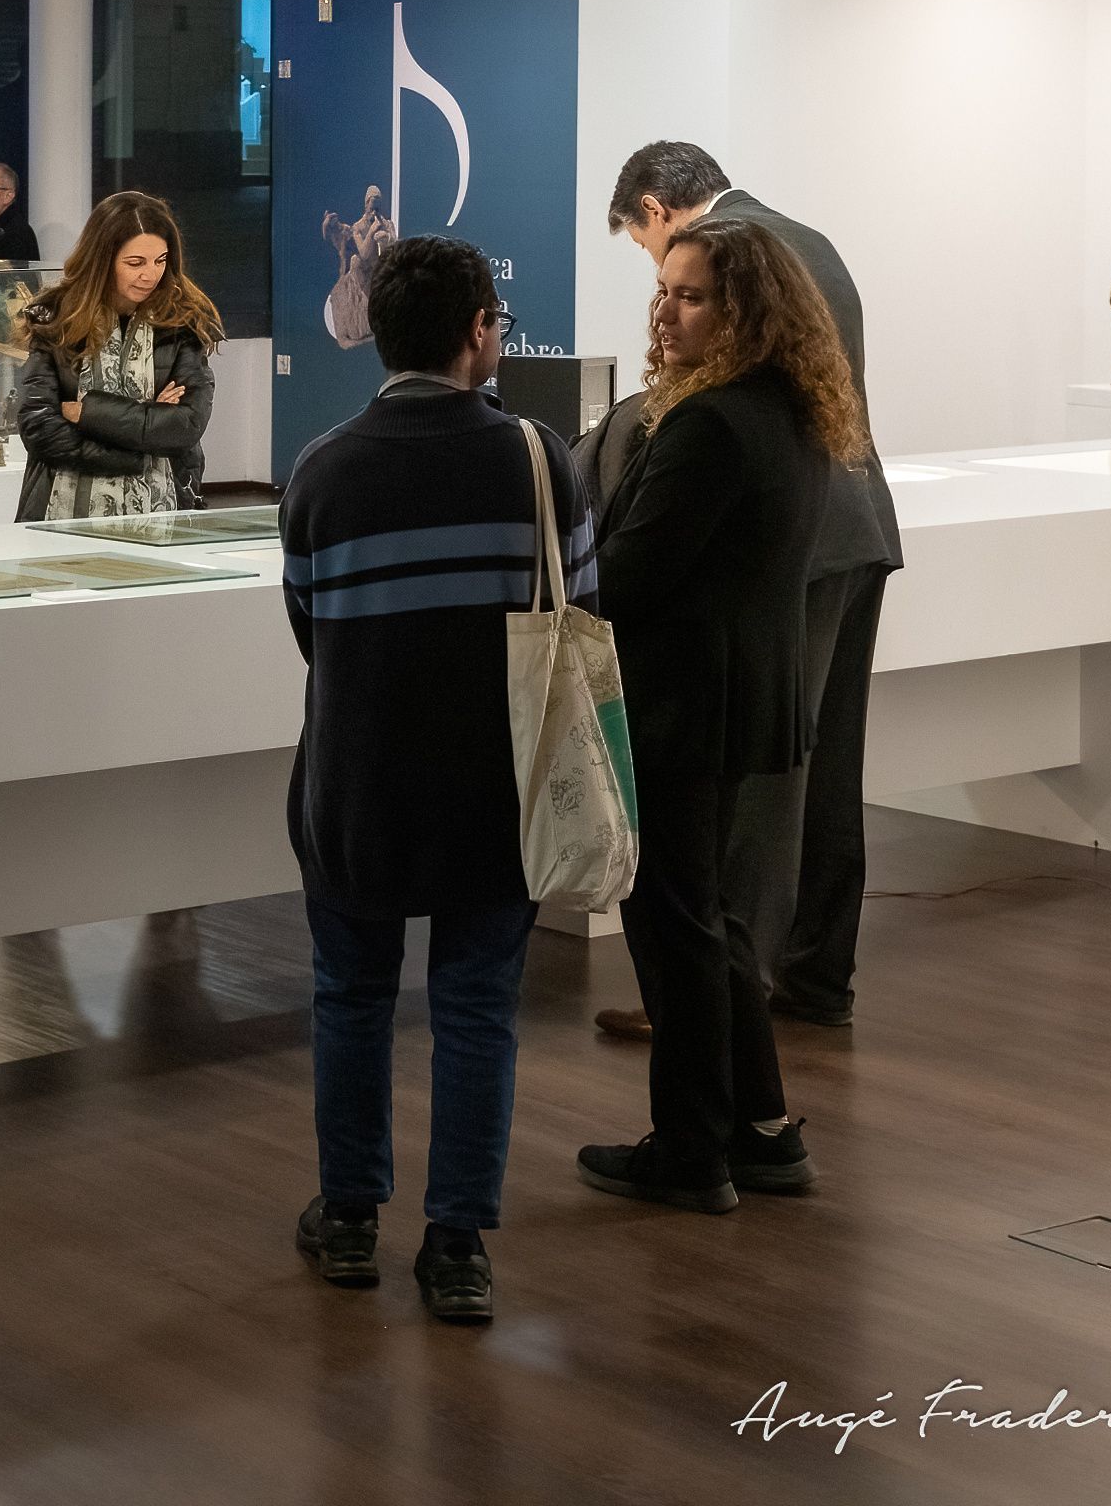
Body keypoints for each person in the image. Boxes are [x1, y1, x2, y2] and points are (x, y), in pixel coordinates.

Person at [280, 235, 587, 1325]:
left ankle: (352, 1217)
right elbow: (579, 604)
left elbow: (310, 628)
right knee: (476, 1008)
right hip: (495, 784)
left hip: (357, 779)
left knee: (352, 996)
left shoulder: (321, 468)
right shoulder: (540, 459)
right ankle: (457, 1245)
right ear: (477, 334)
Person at [577, 214, 864, 1215]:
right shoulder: (787, 407)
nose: (667, 310)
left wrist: (567, 576)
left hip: (683, 702)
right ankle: (762, 1129)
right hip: (741, 696)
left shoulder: (709, 421)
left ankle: (692, 1148)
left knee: (677, 925)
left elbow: (635, 573)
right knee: (713, 916)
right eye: (664, 290)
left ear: (744, 310)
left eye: (691, 295)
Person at [604, 141, 899, 1029]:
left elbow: (705, 404)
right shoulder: (808, 238)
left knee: (756, 787)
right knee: (826, 763)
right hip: (851, 525)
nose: (665, 296)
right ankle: (815, 975)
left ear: (656, 210)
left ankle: (720, 994)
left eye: (658, 270)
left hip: (782, 544)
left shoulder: (729, 250)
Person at [14, 190, 219, 522]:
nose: (150, 274)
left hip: (163, 515)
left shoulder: (182, 324)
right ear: (102, 260)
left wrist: (86, 411)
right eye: (135, 263)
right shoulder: (55, 318)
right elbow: (39, 429)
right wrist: (138, 448)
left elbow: (185, 426)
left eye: (161, 260)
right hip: (61, 516)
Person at [322, 187, 395, 351]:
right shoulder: (357, 227)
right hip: (368, 273)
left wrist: (386, 238)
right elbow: (363, 252)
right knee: (355, 261)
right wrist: (371, 232)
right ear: (366, 205)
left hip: (385, 269)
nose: (374, 210)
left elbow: (395, 247)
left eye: (377, 206)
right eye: (372, 206)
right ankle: (372, 302)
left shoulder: (388, 224)